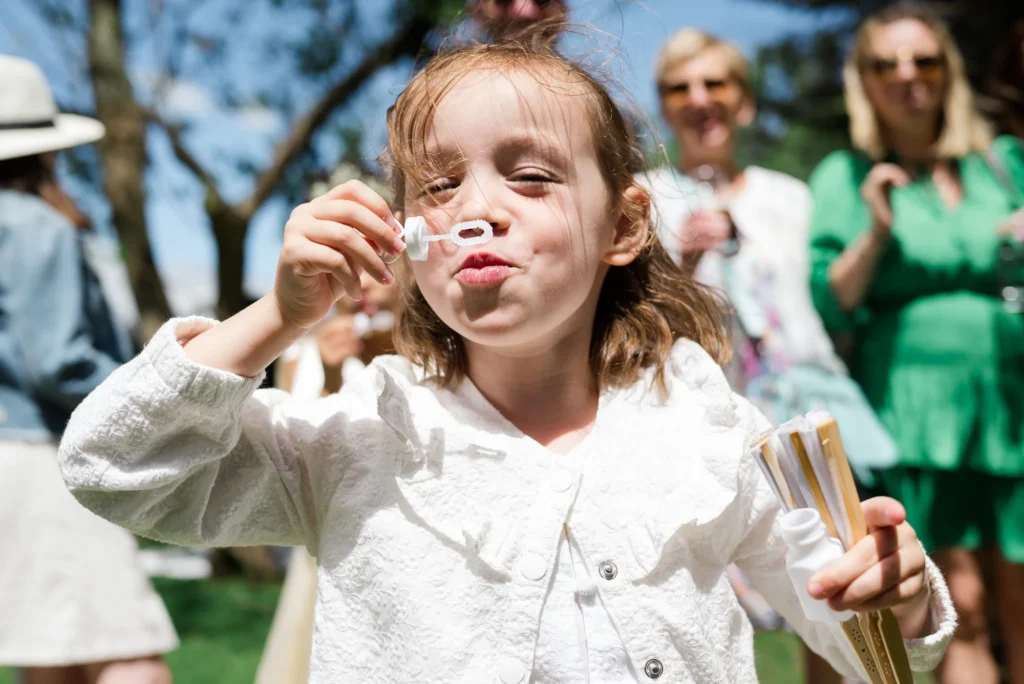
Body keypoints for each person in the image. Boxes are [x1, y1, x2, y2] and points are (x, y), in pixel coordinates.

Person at [58, 39, 955, 683]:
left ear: (626, 226)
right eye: (440, 184)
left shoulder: (703, 418)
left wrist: (897, 597)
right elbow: (116, 469)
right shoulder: (364, 428)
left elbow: (868, 644)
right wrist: (274, 317)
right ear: (406, 232)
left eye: (530, 176)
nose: (477, 210)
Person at [641, 28, 897, 684]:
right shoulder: (647, 198)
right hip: (703, 423)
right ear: (664, 107)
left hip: (802, 413)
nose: (701, 100)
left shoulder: (790, 196)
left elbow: (822, 307)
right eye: (681, 88)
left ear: (744, 101)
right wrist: (684, 262)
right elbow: (635, 324)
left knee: (835, 597)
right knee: (707, 606)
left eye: (715, 83)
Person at [807, 5, 1024, 683]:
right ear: (864, 81)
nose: (908, 76)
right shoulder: (848, 173)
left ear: (947, 73)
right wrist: (876, 228)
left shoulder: (1003, 162)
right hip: (915, 405)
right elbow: (831, 297)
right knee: (963, 599)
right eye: (887, 63)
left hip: (1009, 400)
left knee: (1021, 599)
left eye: (924, 60)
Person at [0, 55, 178, 684]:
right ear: (44, 150)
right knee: (129, 655)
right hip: (50, 458)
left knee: (53, 657)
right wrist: (153, 392)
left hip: (10, 459)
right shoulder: (36, 227)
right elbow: (58, 362)